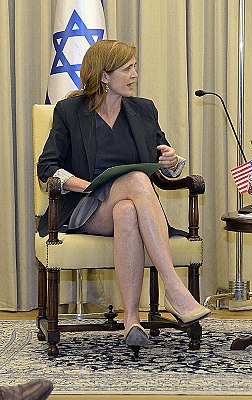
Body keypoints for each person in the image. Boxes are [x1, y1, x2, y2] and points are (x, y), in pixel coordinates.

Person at [37, 40, 211, 353]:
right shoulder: (70, 111)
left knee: (128, 210)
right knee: (135, 179)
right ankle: (174, 287)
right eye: (127, 68)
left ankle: (131, 319)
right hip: (86, 207)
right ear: (104, 76)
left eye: (134, 67)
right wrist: (85, 185)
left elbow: (163, 166)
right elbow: (47, 167)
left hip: (128, 205)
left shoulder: (144, 110)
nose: (135, 74)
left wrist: (173, 162)